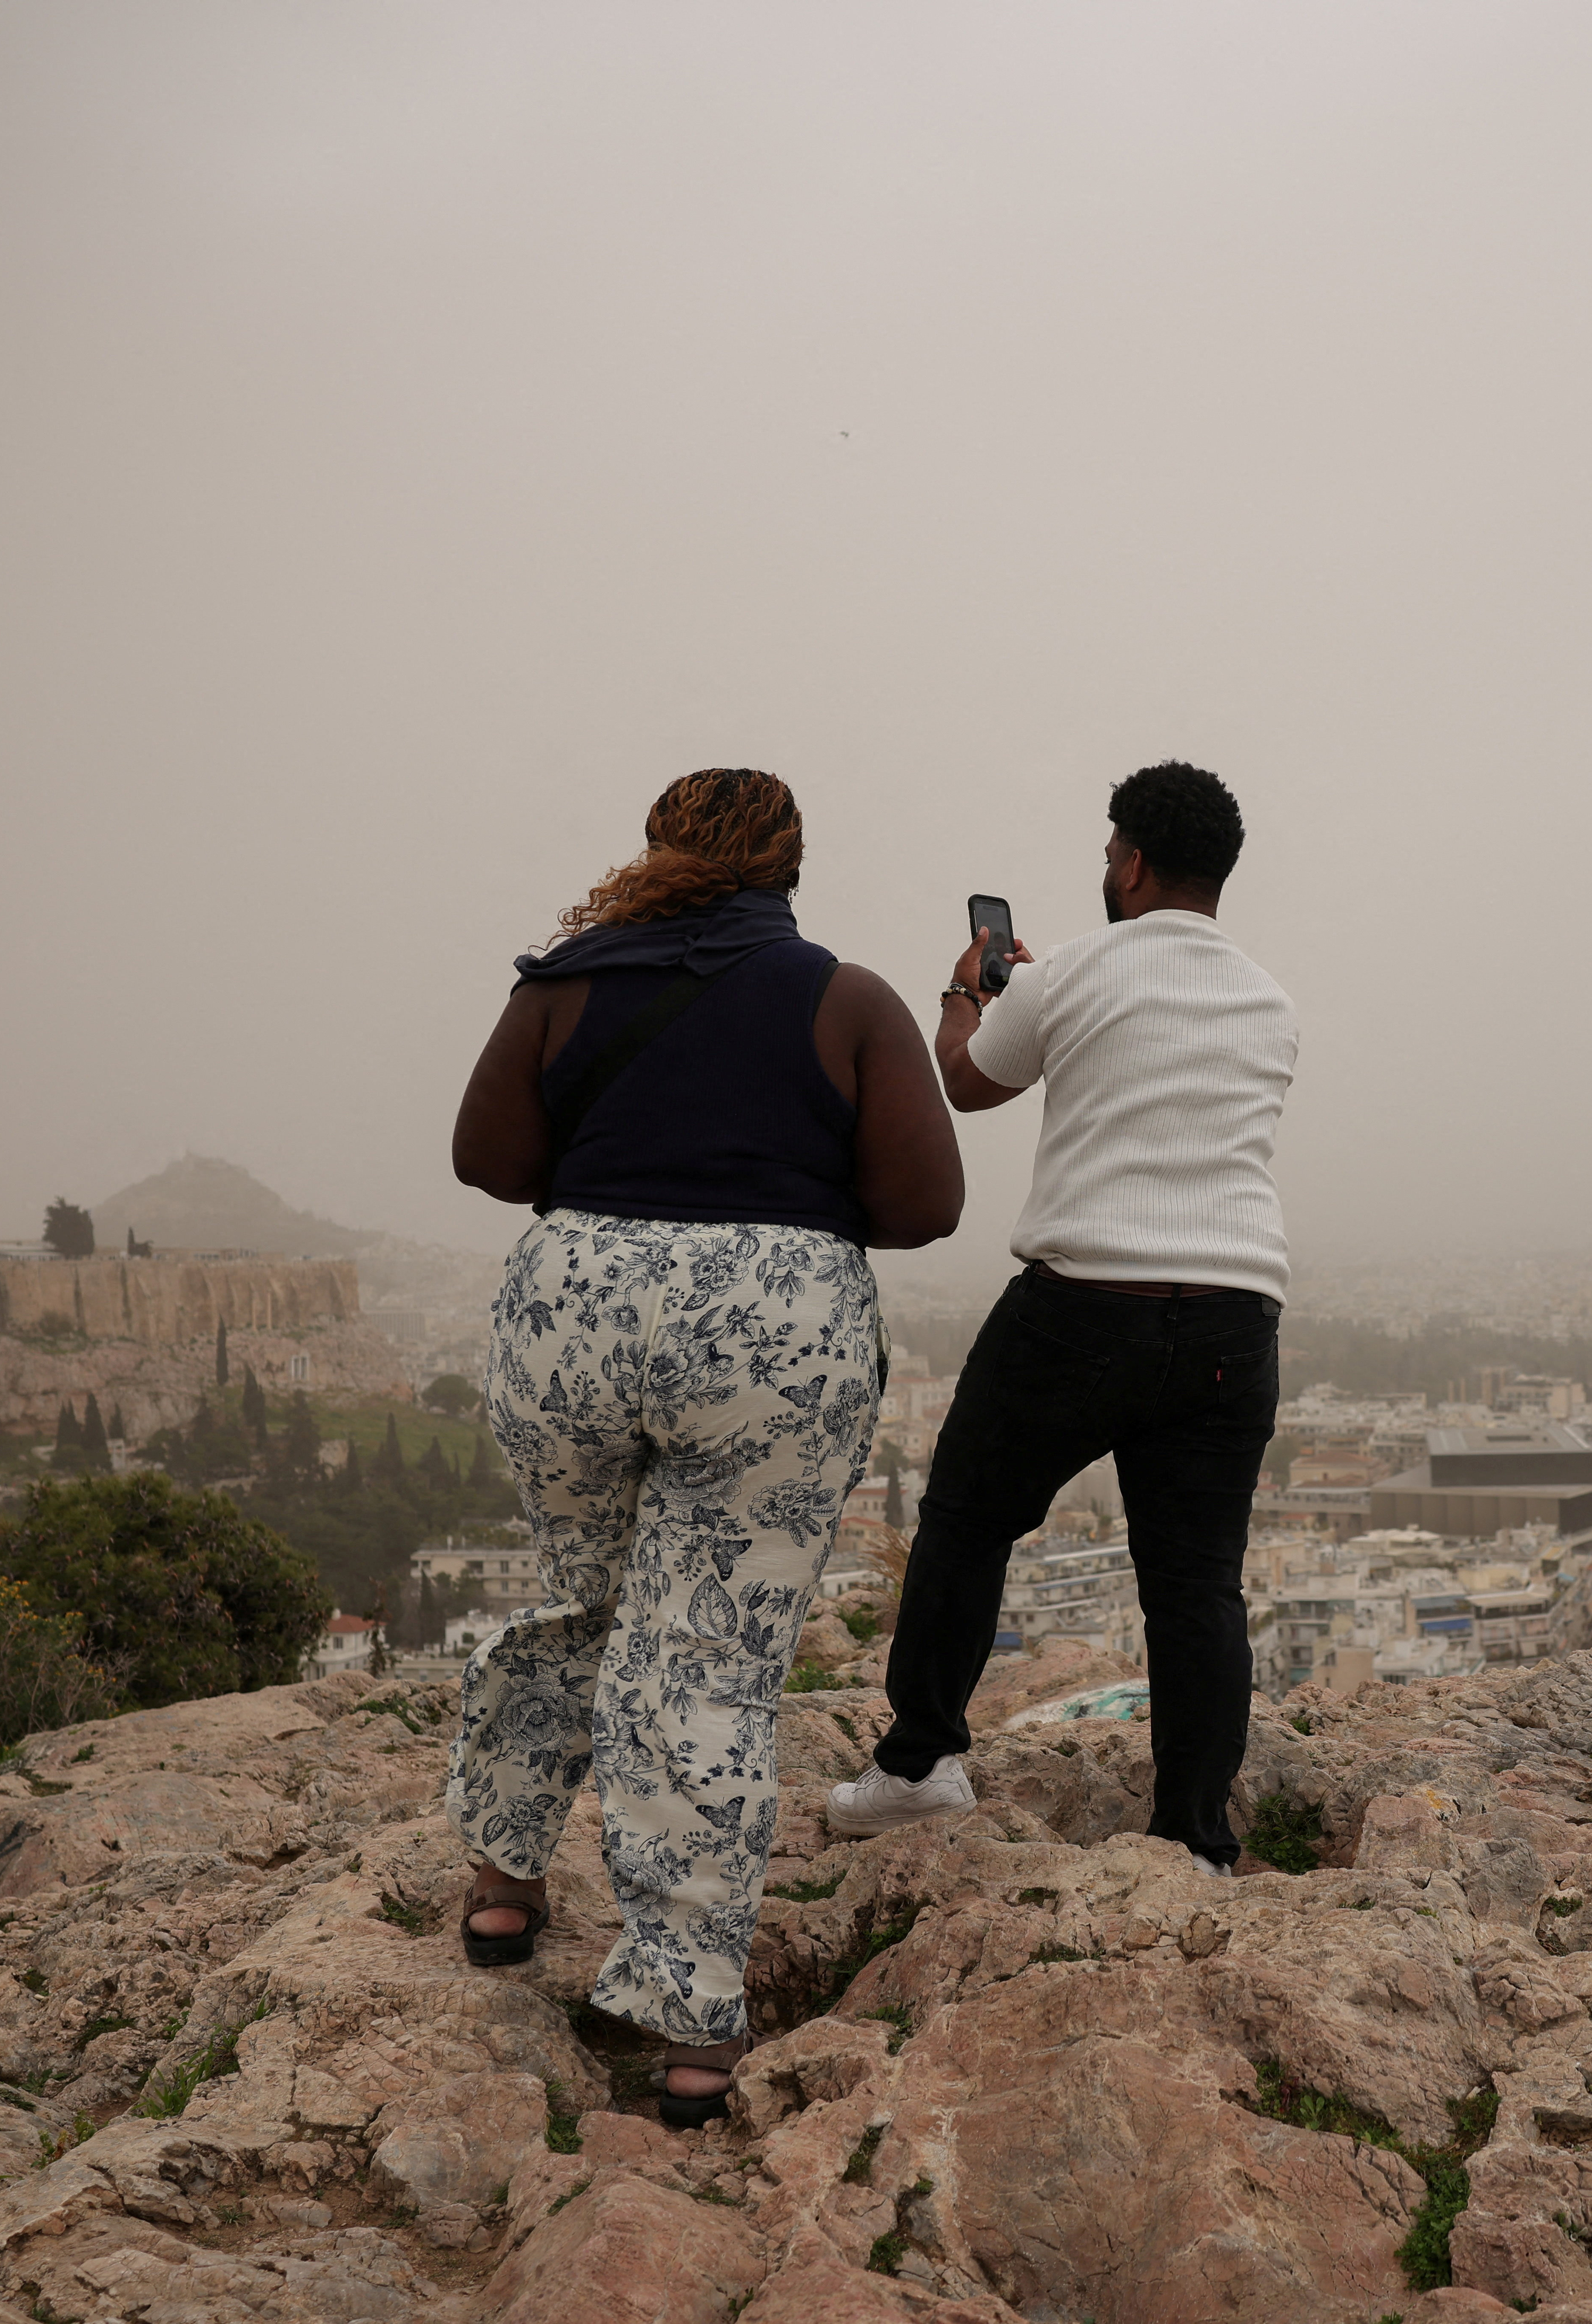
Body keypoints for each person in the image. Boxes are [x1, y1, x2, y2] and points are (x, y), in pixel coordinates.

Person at [445, 767, 961, 2127]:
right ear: (791, 865)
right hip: (772, 1339)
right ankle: (686, 2032)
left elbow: (487, 1163)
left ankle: (505, 1887)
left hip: (576, 1315)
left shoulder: (561, 984)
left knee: (580, 1601)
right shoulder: (845, 1000)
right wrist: (776, 1197)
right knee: (706, 1665)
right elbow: (923, 1206)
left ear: (657, 854)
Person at [830, 761, 1297, 1872]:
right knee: (1196, 1585)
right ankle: (1195, 1839)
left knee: (967, 1518)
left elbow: (969, 1083)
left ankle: (919, 1766)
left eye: (1106, 854)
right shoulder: (1272, 1004)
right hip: (1236, 1313)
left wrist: (971, 995)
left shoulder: (1069, 977)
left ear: (1129, 860)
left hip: (1082, 1305)